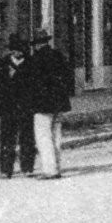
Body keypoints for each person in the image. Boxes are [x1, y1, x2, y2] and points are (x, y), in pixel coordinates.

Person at [27, 29, 73, 180]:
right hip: (58, 103)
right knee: (56, 136)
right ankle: (56, 167)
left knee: (43, 137)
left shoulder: (35, 60)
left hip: (42, 105)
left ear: (36, 45)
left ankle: (49, 170)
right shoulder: (58, 56)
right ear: (47, 42)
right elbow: (68, 76)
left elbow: (32, 83)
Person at [0, 33, 36, 179]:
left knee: (27, 138)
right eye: (14, 49)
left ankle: (27, 167)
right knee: (7, 139)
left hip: (25, 107)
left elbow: (34, 86)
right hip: (8, 108)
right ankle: (5, 169)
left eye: (20, 49)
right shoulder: (2, 64)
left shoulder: (30, 63)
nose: (17, 52)